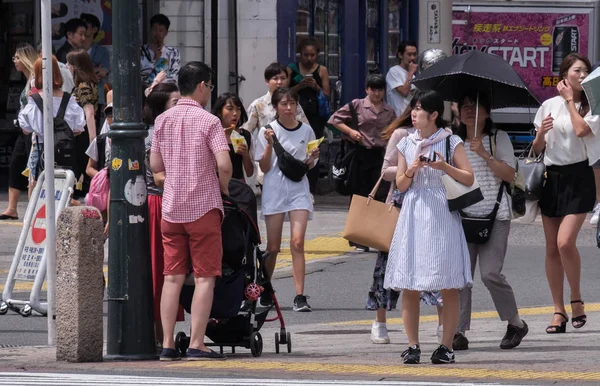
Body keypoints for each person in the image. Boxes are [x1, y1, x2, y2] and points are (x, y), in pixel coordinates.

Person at [150, 61, 232, 361]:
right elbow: (224, 164)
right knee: (204, 277)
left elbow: (156, 167)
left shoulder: (162, 121)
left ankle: (169, 344)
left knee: (172, 277)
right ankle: (197, 342)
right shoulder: (210, 122)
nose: (210, 91)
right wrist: (222, 188)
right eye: (209, 86)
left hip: (171, 209)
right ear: (202, 86)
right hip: (203, 208)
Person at [384, 90, 474, 365]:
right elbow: (400, 184)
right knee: (410, 281)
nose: (414, 113)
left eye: (420, 109)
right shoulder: (406, 142)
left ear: (434, 115)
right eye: (414, 108)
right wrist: (410, 170)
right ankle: (412, 345)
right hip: (413, 212)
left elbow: (468, 177)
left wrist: (444, 166)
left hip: (441, 212)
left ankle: (446, 346)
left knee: (447, 282)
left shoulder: (451, 140)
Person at [453, 91, 528, 351]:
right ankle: (457, 331)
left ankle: (516, 323)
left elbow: (509, 174)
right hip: (462, 216)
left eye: (475, 107)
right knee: (461, 276)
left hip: (496, 214)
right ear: (457, 113)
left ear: (487, 113)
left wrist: (484, 153)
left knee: (490, 274)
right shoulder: (453, 141)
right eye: (464, 106)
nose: (469, 111)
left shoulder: (499, 138)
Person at [532, 53, 598, 334]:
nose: (581, 75)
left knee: (565, 242)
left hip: (579, 176)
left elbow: (582, 130)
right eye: (576, 70)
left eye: (585, 71)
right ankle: (558, 310)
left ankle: (577, 300)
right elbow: (537, 150)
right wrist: (540, 134)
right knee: (551, 248)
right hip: (551, 177)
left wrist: (571, 101)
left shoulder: (592, 105)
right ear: (565, 74)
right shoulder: (548, 105)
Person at [254, 88, 320, 312]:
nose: (289, 108)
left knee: (297, 242)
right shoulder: (266, 131)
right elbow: (262, 167)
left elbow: (308, 165)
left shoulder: (308, 131)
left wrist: (312, 159)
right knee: (272, 248)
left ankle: (300, 296)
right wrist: (270, 145)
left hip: (298, 190)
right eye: (284, 104)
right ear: (275, 107)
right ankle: (265, 289)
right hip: (274, 191)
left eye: (292, 103)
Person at [328, 74, 396, 251]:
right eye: (373, 89)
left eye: (380, 89)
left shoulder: (389, 111)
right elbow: (334, 120)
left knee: (379, 195)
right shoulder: (357, 105)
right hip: (358, 154)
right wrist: (350, 132)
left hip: (378, 155)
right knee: (358, 195)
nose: (376, 93)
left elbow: (393, 131)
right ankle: (357, 237)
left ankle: (374, 234)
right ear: (367, 89)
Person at [142, 82, 183, 346]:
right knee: (161, 270)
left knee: (169, 269)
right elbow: (158, 176)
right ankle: (159, 337)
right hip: (157, 203)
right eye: (175, 103)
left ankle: (162, 336)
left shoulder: (168, 129)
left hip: (169, 200)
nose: (181, 108)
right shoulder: (154, 134)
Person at [243, 62, 309, 192]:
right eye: (275, 78)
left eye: (283, 78)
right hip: (268, 159)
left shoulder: (294, 105)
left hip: (290, 160)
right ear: (267, 81)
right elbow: (246, 131)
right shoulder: (258, 105)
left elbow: (305, 129)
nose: (279, 82)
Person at [19, 56, 85, 185]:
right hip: (66, 150)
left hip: (42, 149)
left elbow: (25, 130)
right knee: (65, 189)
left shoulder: (34, 100)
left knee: (38, 188)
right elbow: (78, 128)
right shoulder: (69, 99)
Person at [287, 38, 330, 195]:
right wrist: (300, 86)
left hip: (314, 118)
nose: (309, 58)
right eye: (306, 55)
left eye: (312, 55)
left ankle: (310, 187)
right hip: (295, 116)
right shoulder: (292, 69)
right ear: (300, 54)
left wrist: (316, 86)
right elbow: (283, 93)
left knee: (312, 150)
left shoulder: (322, 70)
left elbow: (327, 94)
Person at [0, 44, 38, 220]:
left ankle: (33, 206)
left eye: (17, 57)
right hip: (24, 130)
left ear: (25, 58)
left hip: (33, 130)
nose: (14, 61)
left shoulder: (35, 79)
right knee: (16, 163)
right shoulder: (27, 78)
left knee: (33, 167)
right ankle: (12, 207)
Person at [67, 49, 99, 198]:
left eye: (69, 63)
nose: (67, 66)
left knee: (81, 167)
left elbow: (89, 112)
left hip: (84, 134)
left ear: (75, 66)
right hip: (85, 132)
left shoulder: (83, 86)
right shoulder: (89, 84)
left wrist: (92, 140)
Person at [212, 93, 254, 180]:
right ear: (219, 112)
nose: (235, 113)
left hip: (237, 187)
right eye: (230, 109)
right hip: (215, 185)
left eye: (238, 109)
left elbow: (250, 173)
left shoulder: (244, 135)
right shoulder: (212, 134)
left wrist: (245, 154)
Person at [80, 13, 111, 109]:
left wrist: (82, 72)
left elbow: (103, 72)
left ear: (94, 29)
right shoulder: (75, 50)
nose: (83, 28)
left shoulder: (102, 51)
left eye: (86, 25)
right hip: (78, 96)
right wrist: (95, 69)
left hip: (98, 96)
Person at [141, 14, 181, 86]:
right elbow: (141, 75)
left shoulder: (173, 52)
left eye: (161, 30)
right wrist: (154, 60)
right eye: (154, 30)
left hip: (165, 93)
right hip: (145, 93)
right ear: (150, 30)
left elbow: (174, 77)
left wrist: (156, 83)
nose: (157, 33)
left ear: (166, 33)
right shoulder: (142, 51)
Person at [386, 41, 418, 116]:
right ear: (400, 55)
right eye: (409, 54)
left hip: (409, 117)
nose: (412, 58)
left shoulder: (414, 76)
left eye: (414, 54)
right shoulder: (394, 71)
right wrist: (410, 73)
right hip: (397, 117)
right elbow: (404, 92)